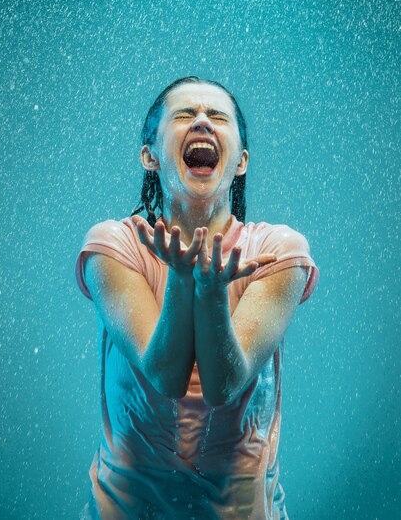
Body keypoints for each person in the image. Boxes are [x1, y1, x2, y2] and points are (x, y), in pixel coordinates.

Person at [75, 76, 319, 519]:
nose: (203, 121)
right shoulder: (113, 245)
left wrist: (208, 291)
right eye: (185, 114)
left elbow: (224, 385)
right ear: (150, 156)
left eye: (218, 116)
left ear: (241, 161)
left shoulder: (278, 252)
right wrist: (183, 281)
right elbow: (164, 377)